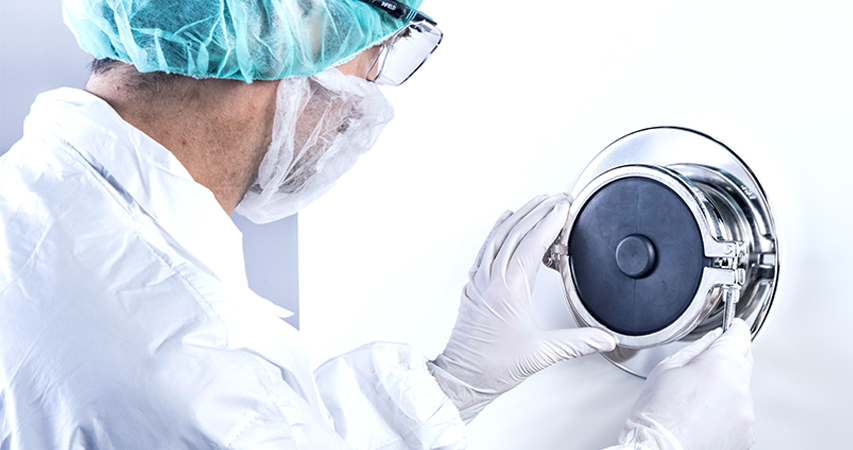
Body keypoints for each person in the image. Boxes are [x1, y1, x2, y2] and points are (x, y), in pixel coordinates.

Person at [0, 0, 755, 448]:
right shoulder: (185, 368)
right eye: (384, 53)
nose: (375, 101)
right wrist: (663, 441)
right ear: (287, 32)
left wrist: (445, 387)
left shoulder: (35, 200)